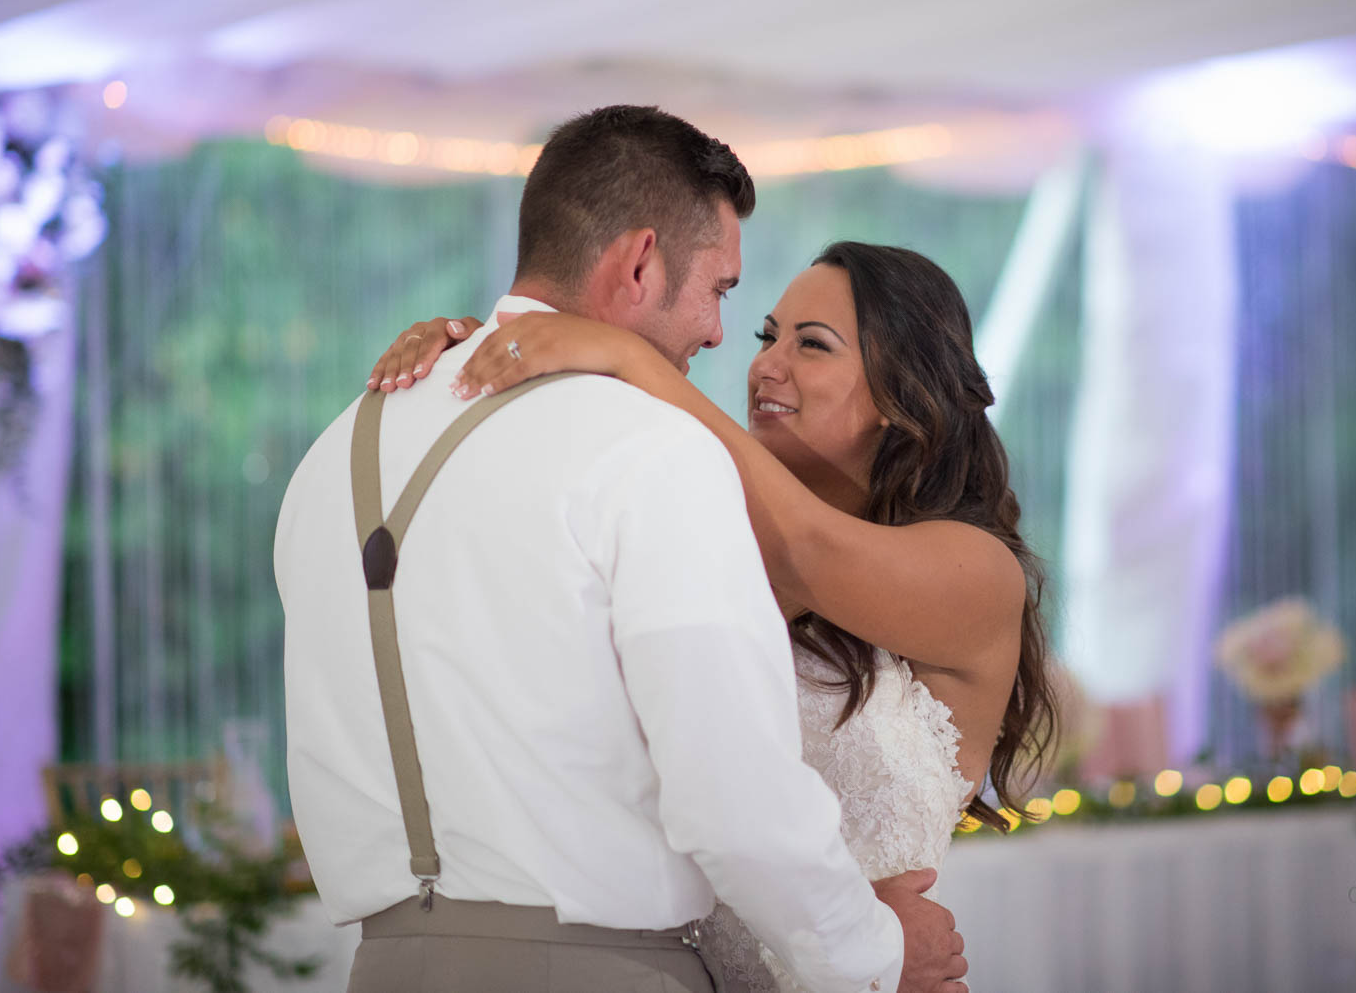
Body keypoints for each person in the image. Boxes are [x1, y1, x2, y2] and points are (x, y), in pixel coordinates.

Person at [278, 106, 967, 993]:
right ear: (640, 261)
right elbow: (734, 799)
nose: (722, 335)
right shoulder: (652, 448)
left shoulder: (334, 449)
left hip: (381, 967)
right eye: (720, 290)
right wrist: (873, 954)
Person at [371, 236, 1058, 992]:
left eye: (812, 345)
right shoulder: (706, 535)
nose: (765, 363)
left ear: (903, 395)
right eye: (768, 336)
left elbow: (807, 546)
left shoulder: (977, 572)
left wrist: (626, 357)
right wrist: (478, 365)